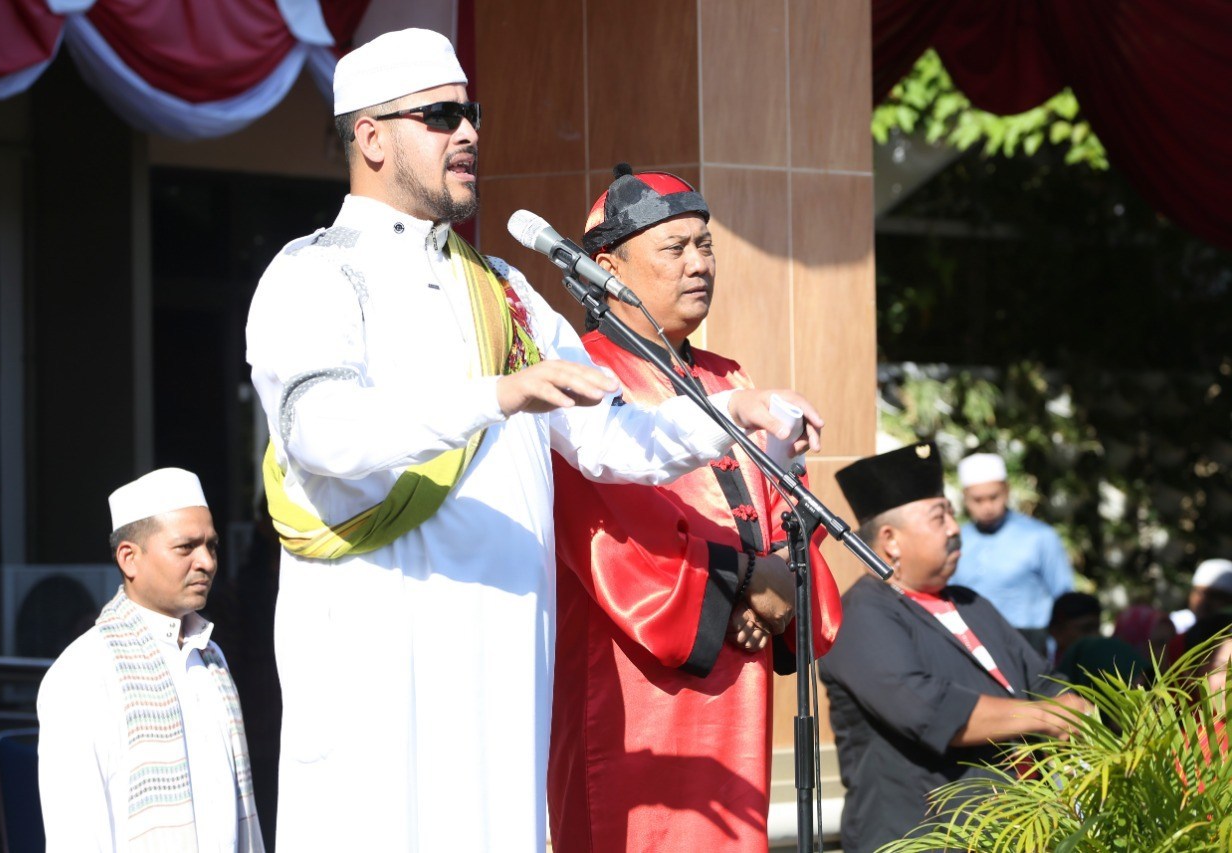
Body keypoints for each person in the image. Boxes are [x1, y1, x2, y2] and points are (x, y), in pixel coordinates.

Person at [244, 29, 819, 852]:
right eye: (442, 116)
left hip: (503, 663)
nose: (470, 134)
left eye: (470, 113)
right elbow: (321, 432)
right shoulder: (316, 273)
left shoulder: (502, 288)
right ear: (369, 137)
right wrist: (496, 394)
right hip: (384, 650)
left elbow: (610, 436)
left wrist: (735, 414)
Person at [546, 165, 843, 851]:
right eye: (674, 248)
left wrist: (782, 578)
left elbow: (782, 506)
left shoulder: (726, 377)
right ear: (605, 267)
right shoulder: (582, 378)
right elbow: (614, 540)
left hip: (739, 679)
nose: (698, 263)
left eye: (705, 245)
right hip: (636, 686)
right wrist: (751, 584)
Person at [818, 443, 1087, 852]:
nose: (954, 528)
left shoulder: (970, 602)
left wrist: (1071, 705)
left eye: (950, 513)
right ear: (890, 540)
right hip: (922, 838)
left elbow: (1042, 679)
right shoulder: (860, 615)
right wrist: (1046, 716)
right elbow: (929, 711)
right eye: (938, 516)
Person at [37, 468, 263, 852]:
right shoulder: (83, 673)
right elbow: (76, 838)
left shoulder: (209, 656)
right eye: (185, 547)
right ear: (129, 558)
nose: (206, 562)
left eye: (211, 546)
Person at [952, 451, 1075, 652]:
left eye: (994, 497)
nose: (987, 507)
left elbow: (1065, 601)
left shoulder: (1040, 537)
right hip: (974, 649)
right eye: (978, 500)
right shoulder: (957, 539)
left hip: (1031, 649)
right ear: (965, 497)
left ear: (1007, 491)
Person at [1170, 558, 1232, 635]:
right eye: (1201, 593)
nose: (1206, 601)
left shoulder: (1228, 636)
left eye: (1215, 597)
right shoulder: (1173, 625)